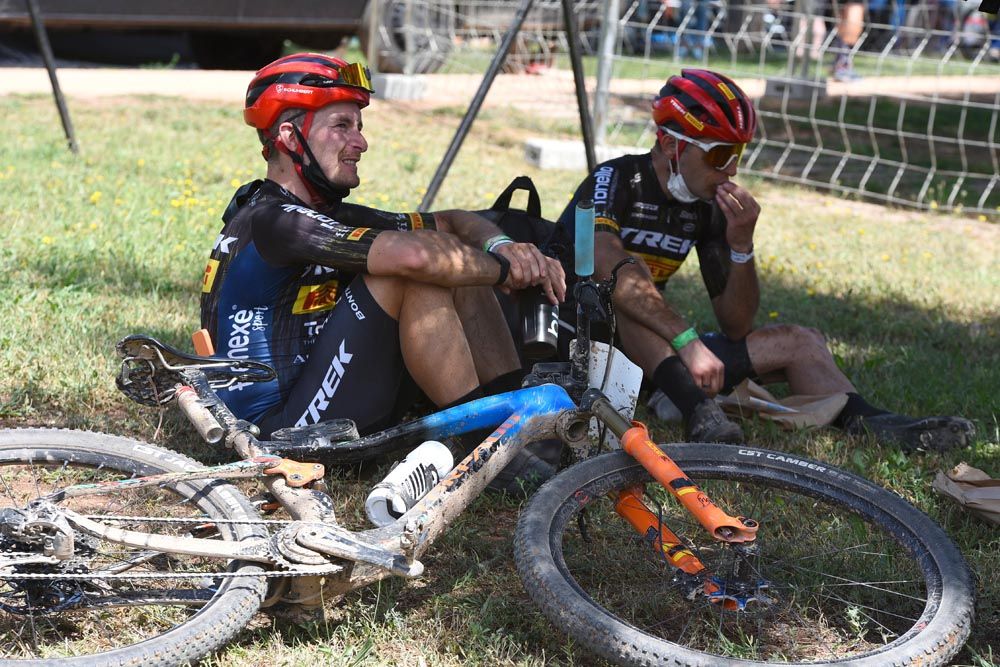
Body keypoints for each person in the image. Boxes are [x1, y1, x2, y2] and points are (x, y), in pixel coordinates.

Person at [555, 68, 975, 452]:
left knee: (801, 341)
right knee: (630, 282)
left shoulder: (706, 206)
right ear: (670, 144)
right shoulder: (615, 180)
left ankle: (872, 423)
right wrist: (688, 340)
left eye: (740, 153)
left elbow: (737, 324)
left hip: (657, 359)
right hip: (581, 345)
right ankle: (699, 412)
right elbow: (609, 267)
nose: (732, 170)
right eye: (720, 155)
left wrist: (742, 246)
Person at [201, 53, 566, 487]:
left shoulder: (321, 213)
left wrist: (501, 244)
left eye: (359, 127)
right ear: (288, 136)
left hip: (319, 396)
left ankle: (514, 418)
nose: (360, 142)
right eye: (341, 126)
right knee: (411, 272)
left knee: (451, 258)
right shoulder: (277, 221)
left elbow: (450, 220)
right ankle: (489, 450)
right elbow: (413, 259)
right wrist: (506, 270)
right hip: (280, 433)